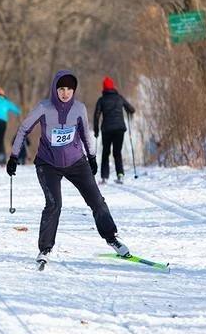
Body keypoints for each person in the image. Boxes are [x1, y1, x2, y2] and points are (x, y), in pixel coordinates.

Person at [7, 70, 131, 267]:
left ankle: (111, 238)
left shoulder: (79, 109)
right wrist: (14, 156)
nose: (65, 93)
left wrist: (91, 157)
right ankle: (45, 248)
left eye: (69, 89)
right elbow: (23, 129)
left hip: (76, 162)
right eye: (61, 88)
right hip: (48, 164)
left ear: (74, 91)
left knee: (97, 201)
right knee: (54, 204)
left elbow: (85, 134)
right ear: (55, 89)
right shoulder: (44, 107)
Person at [93, 76, 135, 184]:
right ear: (113, 87)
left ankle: (104, 177)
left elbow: (96, 116)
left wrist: (96, 130)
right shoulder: (119, 98)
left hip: (107, 129)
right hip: (119, 129)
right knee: (117, 152)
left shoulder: (101, 100)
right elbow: (131, 109)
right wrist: (129, 112)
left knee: (105, 153)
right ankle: (120, 175)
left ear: (104, 88)